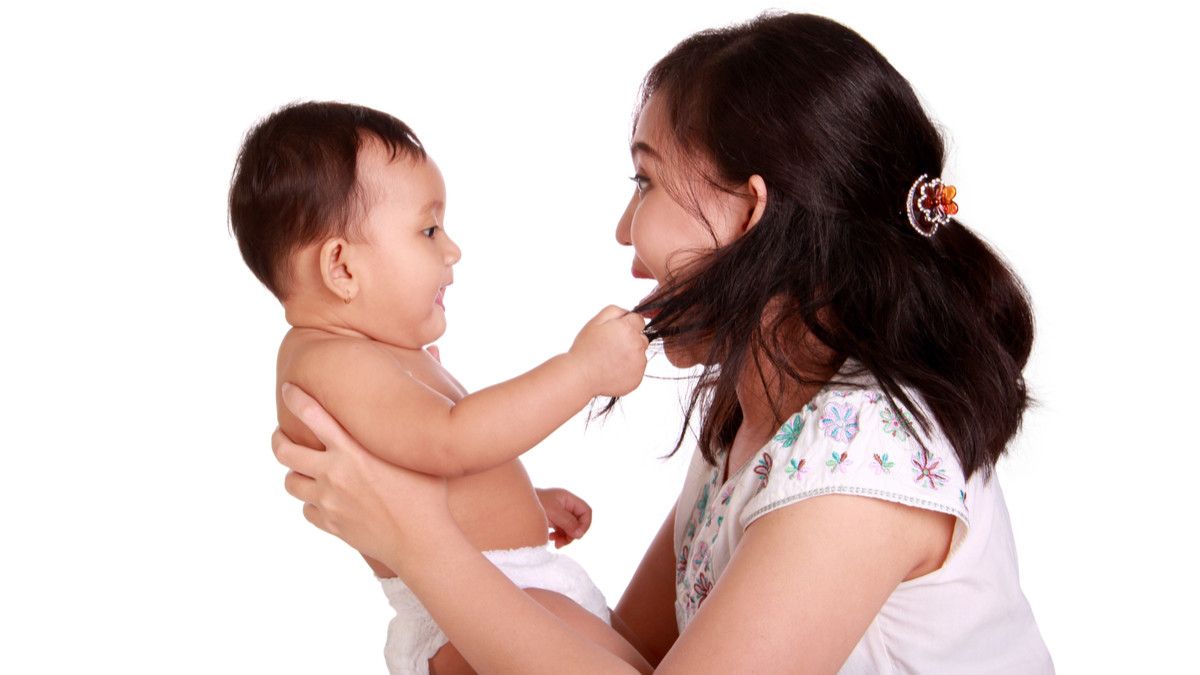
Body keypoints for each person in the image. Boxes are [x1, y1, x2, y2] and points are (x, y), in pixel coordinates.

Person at [272, 13, 1054, 674]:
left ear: (747, 215)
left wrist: (420, 543)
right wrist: (457, 534)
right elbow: (632, 653)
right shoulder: (751, 417)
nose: (623, 231)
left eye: (644, 182)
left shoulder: (862, 456)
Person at [228, 101, 653, 674]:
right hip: (464, 607)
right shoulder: (328, 362)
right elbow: (452, 440)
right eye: (429, 230)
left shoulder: (370, 351)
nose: (451, 250)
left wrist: (521, 502)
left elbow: (435, 467)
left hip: (497, 577)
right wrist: (582, 372)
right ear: (343, 269)